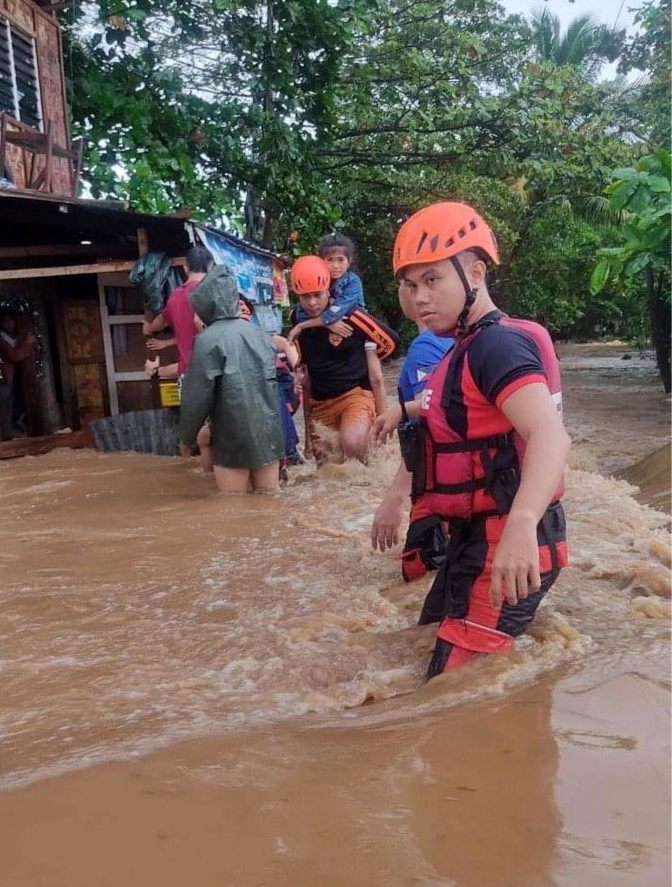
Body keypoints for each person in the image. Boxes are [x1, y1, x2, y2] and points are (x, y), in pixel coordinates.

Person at [371, 201, 570, 678]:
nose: (419, 297)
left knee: (452, 687)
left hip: (511, 534)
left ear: (475, 273)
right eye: (410, 283)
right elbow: (450, 415)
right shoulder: (464, 347)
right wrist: (401, 413)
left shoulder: (495, 346)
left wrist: (521, 525)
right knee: (424, 649)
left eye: (433, 280)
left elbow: (550, 435)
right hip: (474, 538)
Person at [372, 283, 455, 582]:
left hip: (439, 488)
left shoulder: (427, 346)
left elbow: (431, 421)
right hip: (464, 486)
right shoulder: (455, 339)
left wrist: (394, 498)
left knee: (419, 579)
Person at [178, 265, 284, 493]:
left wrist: (186, 437)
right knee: (270, 502)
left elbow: (196, 396)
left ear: (206, 303)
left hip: (231, 436)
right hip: (268, 433)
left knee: (232, 508)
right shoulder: (261, 335)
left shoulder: (207, 340)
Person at [290, 255, 398, 462]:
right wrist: (307, 439)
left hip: (354, 396)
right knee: (324, 463)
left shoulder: (355, 317)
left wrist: (383, 425)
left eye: (317, 295)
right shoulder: (297, 320)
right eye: (305, 297)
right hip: (320, 403)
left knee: (353, 444)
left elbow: (386, 355)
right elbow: (307, 379)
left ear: (329, 290)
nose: (312, 303)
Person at [142, 245, 213, 376]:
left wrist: (149, 329)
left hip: (193, 380)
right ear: (211, 267)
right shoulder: (220, 294)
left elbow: (161, 321)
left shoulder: (176, 297)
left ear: (185, 267)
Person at [289, 234, 365, 339]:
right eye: (330, 260)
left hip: (354, 323)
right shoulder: (319, 279)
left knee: (369, 347)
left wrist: (302, 326)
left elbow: (335, 312)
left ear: (349, 261)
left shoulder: (353, 282)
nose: (335, 266)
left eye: (340, 260)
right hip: (326, 324)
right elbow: (301, 314)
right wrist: (328, 323)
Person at [0, 314, 35, 440]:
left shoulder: (11, 338)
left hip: (7, 377)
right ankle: (6, 435)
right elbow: (14, 355)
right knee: (5, 406)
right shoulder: (2, 340)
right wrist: (27, 345)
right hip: (3, 378)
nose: (10, 324)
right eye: (6, 321)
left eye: (11, 321)